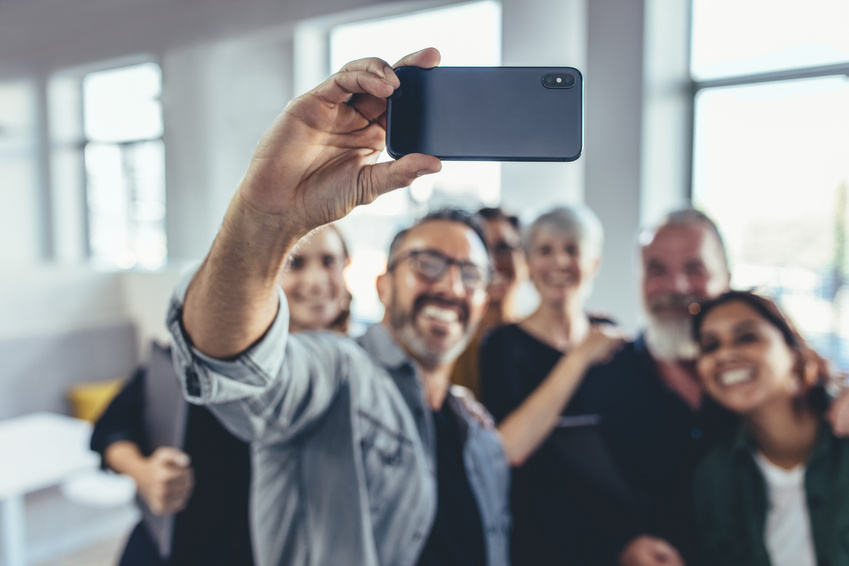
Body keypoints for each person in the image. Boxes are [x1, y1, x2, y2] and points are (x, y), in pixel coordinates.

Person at [164, 48, 623, 566]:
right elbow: (232, 364)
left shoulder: (472, 429)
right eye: (427, 264)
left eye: (470, 275)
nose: (450, 287)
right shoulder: (338, 374)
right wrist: (268, 219)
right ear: (382, 286)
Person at [90, 224, 351, 566]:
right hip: (183, 549)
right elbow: (110, 427)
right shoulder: (201, 357)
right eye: (296, 263)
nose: (316, 280)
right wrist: (145, 473)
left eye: (329, 261)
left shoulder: (359, 374)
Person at [477, 205, 614, 565]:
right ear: (529, 263)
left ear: (594, 263)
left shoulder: (610, 336)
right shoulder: (503, 344)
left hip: (612, 536)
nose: (559, 263)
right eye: (545, 250)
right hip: (536, 539)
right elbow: (509, 448)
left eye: (572, 249)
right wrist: (579, 358)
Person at [691, 290, 845, 566]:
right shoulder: (712, 478)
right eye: (710, 345)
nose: (725, 354)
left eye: (746, 337)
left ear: (795, 356)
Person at [451, 207, 527, 396]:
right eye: (482, 250)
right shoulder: (445, 347)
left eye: (503, 248)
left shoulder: (538, 341)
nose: (492, 264)